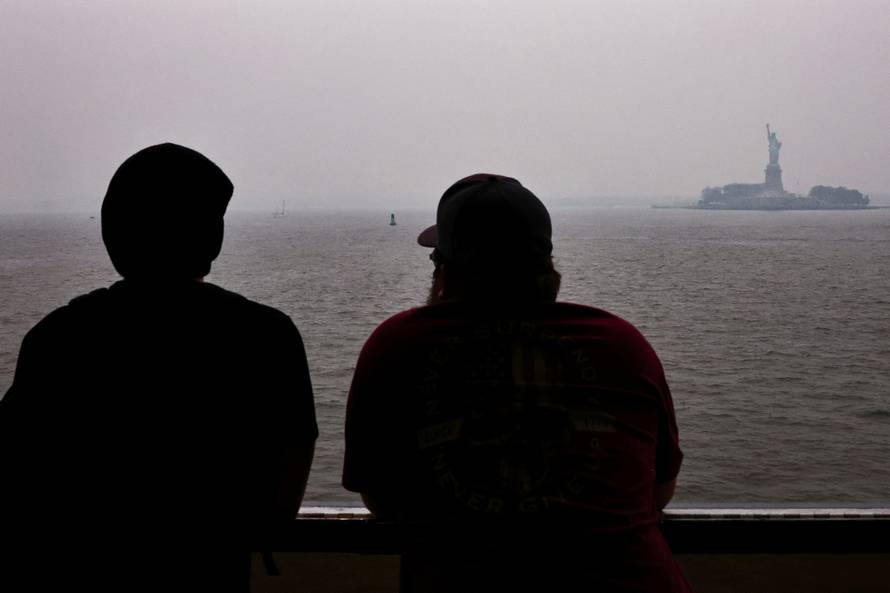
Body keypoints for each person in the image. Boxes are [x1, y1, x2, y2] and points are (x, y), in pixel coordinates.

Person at [343, 174, 690, 592]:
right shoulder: (622, 344)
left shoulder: (397, 346)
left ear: (443, 267)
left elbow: (381, 500)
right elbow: (659, 490)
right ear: (547, 264)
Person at [0, 144, 317, 592]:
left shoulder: (58, 338)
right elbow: (288, 472)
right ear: (211, 236)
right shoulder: (267, 336)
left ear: (114, 232)